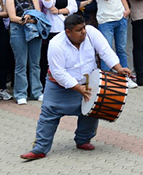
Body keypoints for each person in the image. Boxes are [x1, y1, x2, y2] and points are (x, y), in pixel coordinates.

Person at [19, 15, 131, 161]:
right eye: (79, 30)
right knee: (48, 113)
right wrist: (78, 88)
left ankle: (83, 139)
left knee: (92, 109)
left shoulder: (91, 33)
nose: (83, 32)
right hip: (58, 86)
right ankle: (40, 149)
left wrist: (118, 68)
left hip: (87, 82)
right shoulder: (56, 44)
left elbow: (105, 51)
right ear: (68, 32)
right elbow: (59, 73)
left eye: (84, 27)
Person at [89, 0, 132, 80]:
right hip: (105, 19)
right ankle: (107, 80)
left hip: (120, 17)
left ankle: (126, 78)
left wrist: (127, 9)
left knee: (121, 49)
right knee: (106, 51)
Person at [6, 0, 44, 105]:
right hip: (18, 31)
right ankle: (20, 94)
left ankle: (37, 92)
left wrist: (30, 18)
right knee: (21, 64)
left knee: (35, 63)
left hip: (34, 30)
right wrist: (25, 18)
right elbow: (12, 17)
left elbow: (39, 15)